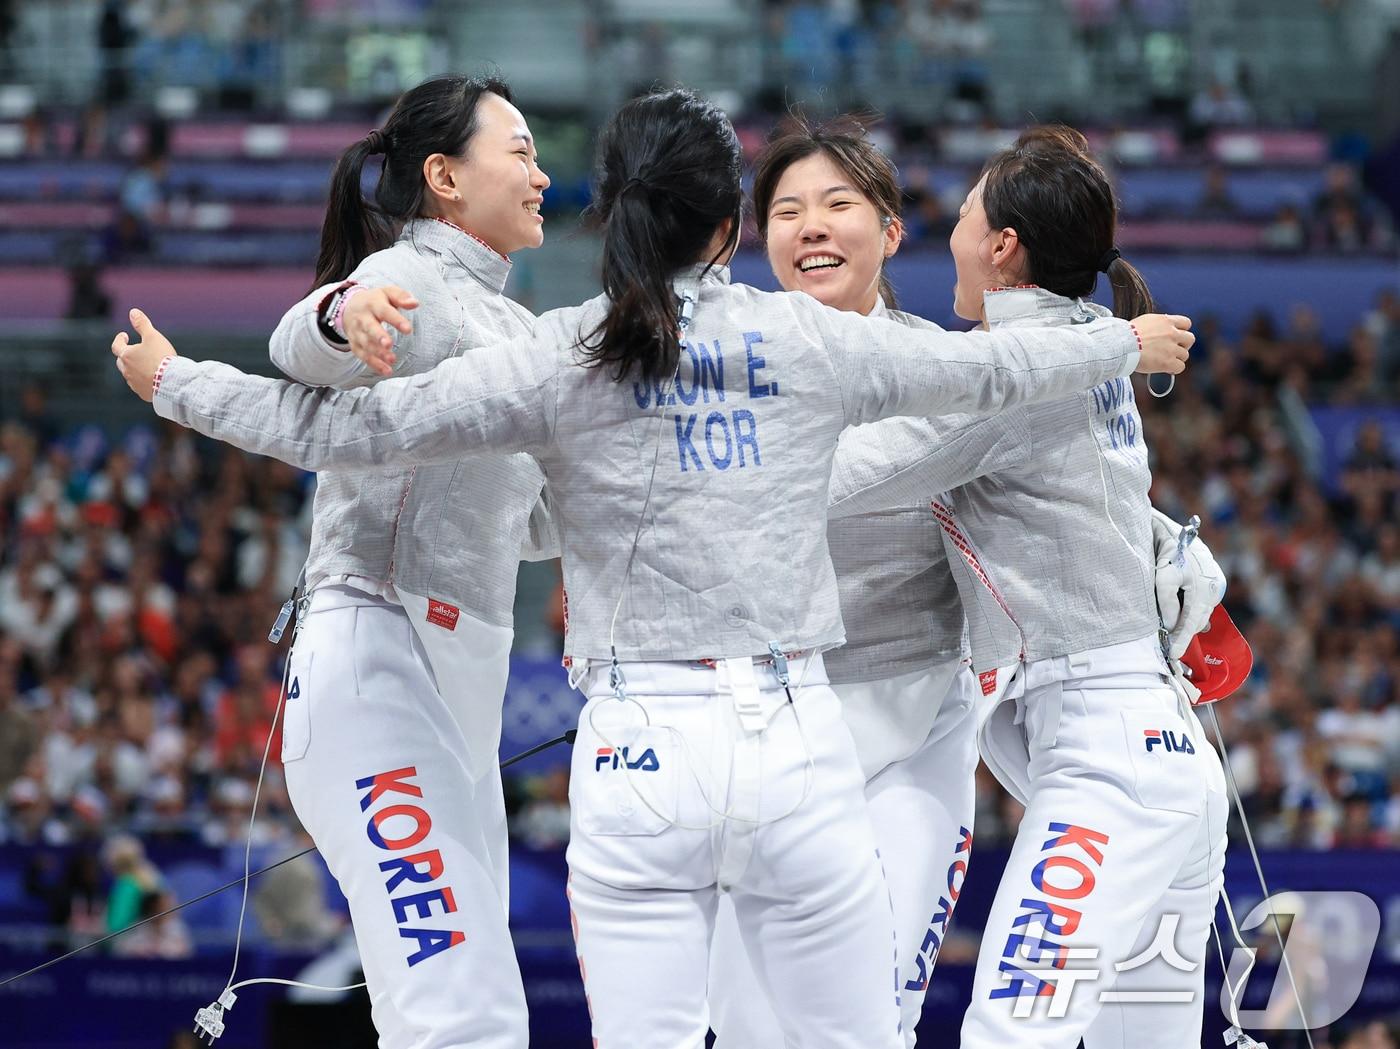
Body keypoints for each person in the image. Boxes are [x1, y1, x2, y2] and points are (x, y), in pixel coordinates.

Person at [112, 90, 1193, 1048]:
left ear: (613, 214)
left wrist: (176, 384)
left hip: (641, 755)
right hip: (797, 746)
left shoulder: (559, 350)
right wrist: (1120, 343)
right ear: (731, 229)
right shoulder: (804, 343)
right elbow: (997, 371)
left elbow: (346, 430)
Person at [709, 115, 1225, 1048]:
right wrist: (1164, 540)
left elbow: (828, 477)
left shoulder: (990, 375)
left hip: (1099, 756)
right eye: (787, 209)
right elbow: (1073, 482)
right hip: (1139, 746)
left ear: (1001, 247)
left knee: (1003, 1031)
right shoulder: (1074, 340)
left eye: (964, 216)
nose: (953, 229)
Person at [203, 75, 551, 1049]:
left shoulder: (519, 329)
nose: (540, 173)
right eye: (519, 151)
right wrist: (341, 315)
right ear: (445, 176)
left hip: (456, 691)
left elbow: (530, 524)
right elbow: (298, 345)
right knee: (462, 1012)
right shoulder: (408, 279)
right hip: (378, 661)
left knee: (462, 1009)